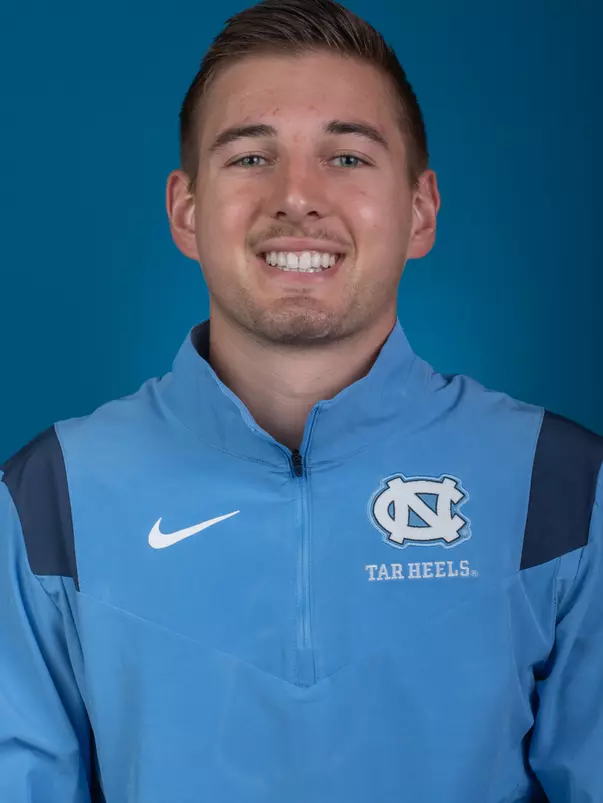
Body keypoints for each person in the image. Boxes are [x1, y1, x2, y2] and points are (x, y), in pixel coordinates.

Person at [1, 0, 601, 799]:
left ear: (419, 210)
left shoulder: (559, 487)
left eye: (347, 158)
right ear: (185, 210)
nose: (296, 197)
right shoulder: (49, 498)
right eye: (250, 158)